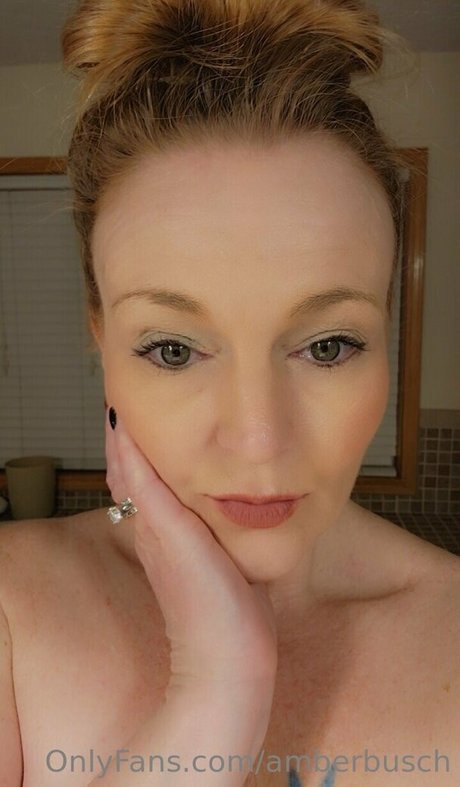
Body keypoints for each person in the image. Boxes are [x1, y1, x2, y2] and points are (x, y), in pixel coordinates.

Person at [0, 0, 459, 785]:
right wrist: (217, 685)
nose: (258, 438)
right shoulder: (13, 604)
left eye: (327, 345)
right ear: (101, 338)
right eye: (174, 349)